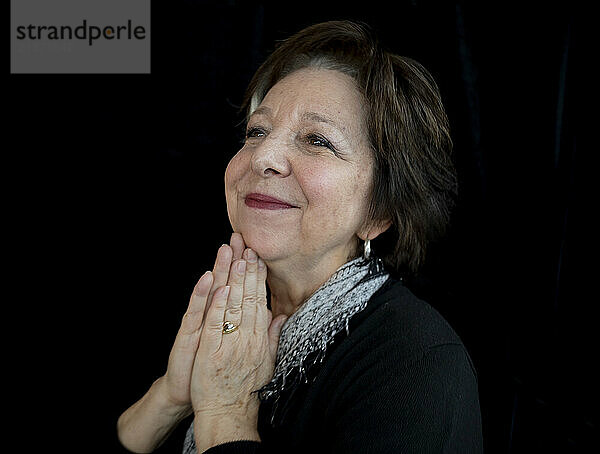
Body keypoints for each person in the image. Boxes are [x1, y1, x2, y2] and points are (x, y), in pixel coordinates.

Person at [117, 20, 483, 453]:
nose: (265, 157)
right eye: (257, 132)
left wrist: (225, 411)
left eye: (316, 140)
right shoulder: (213, 306)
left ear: (380, 212)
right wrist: (171, 397)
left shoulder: (417, 364)